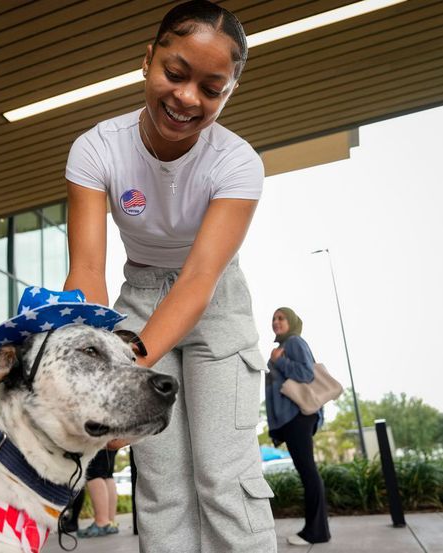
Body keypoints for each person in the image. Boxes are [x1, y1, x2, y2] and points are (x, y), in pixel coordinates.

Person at [64, 2, 276, 551]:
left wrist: (115, 376)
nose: (187, 98)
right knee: (161, 485)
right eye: (175, 74)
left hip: (214, 302)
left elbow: (198, 281)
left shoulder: (237, 162)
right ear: (148, 60)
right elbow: (88, 270)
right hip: (137, 299)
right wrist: (88, 365)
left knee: (222, 475)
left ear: (229, 92)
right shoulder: (97, 149)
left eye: (212, 88)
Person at [265, 307, 331, 546]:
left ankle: (315, 532)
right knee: (308, 472)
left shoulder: (293, 342)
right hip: (293, 418)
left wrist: (279, 361)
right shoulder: (284, 346)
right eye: (273, 318)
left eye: (281, 318)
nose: (275, 322)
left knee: (308, 472)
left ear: (291, 321)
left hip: (298, 417)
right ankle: (317, 530)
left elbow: (305, 373)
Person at [77, 448, 120, 538]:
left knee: (94, 472)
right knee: (108, 474)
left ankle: (102, 522)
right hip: (114, 437)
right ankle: (109, 522)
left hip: (100, 437)